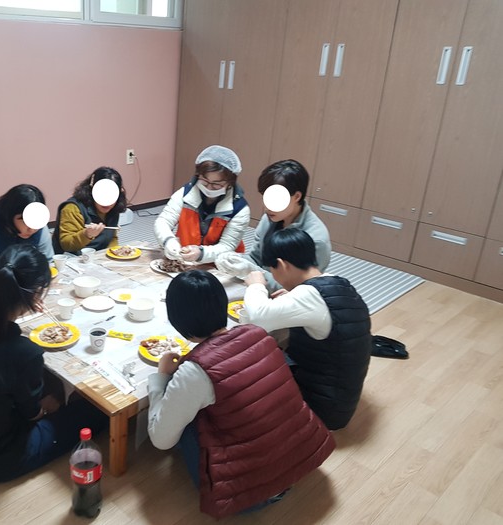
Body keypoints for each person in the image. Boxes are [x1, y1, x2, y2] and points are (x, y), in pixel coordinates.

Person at [147, 270, 335, 519]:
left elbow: (161, 440)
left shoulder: (195, 371)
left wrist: (161, 377)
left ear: (178, 322)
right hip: (303, 461)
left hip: (249, 495)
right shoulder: (258, 333)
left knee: (187, 416)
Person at [0, 244, 107, 482]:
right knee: (95, 411)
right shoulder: (24, 352)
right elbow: (32, 415)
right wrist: (48, 405)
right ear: (36, 294)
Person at [243, 228, 372, 430]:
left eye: (273, 270)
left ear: (282, 265)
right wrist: (293, 296)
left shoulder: (308, 296)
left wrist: (256, 285)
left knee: (249, 358)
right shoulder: (338, 282)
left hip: (321, 411)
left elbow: (258, 317)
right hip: (340, 398)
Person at [216, 159, 331, 291]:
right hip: (260, 286)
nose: (267, 207)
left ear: (296, 197)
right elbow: (256, 258)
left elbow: (301, 290)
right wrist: (237, 260)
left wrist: (252, 272)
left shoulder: (316, 239)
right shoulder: (271, 217)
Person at [154, 145, 250, 263]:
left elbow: (227, 245)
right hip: (185, 258)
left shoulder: (240, 209)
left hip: (223, 263)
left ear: (230, 183)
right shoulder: (185, 194)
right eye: (204, 180)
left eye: (217, 184)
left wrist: (201, 253)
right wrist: (168, 240)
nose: (209, 187)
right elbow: (163, 221)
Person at [52, 167, 127, 255]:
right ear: (92, 190)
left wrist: (115, 253)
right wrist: (86, 234)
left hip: (99, 256)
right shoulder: (72, 208)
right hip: (73, 258)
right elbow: (66, 245)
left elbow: (112, 238)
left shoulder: (114, 207)